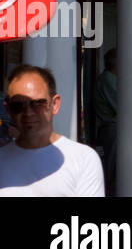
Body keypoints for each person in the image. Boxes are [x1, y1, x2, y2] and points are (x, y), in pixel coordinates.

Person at [0, 65, 104, 196]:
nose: (28, 112)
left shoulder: (83, 159)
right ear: (8, 109)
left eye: (38, 103)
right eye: (18, 105)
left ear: (54, 104)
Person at [92, 48, 117, 193]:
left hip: (110, 130)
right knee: (111, 171)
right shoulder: (108, 79)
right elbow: (122, 106)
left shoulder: (110, 79)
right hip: (110, 130)